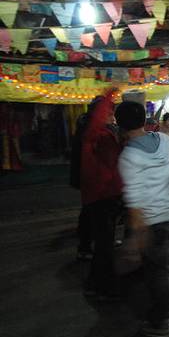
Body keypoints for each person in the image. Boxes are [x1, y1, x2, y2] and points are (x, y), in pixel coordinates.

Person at [115, 101, 169, 337]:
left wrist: (135, 236)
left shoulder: (129, 156)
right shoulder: (163, 140)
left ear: (120, 125)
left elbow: (135, 201)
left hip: (156, 218)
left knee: (158, 271)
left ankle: (160, 322)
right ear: (143, 120)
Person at [81, 89, 123, 300]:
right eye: (109, 112)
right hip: (101, 196)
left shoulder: (103, 134)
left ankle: (96, 284)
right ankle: (103, 288)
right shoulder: (96, 134)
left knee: (104, 244)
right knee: (104, 246)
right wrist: (110, 93)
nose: (112, 116)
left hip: (105, 195)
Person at [70, 97, 102, 261]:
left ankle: (97, 241)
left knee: (97, 210)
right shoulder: (88, 126)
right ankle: (84, 247)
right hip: (89, 175)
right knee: (90, 210)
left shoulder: (88, 123)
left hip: (93, 175)